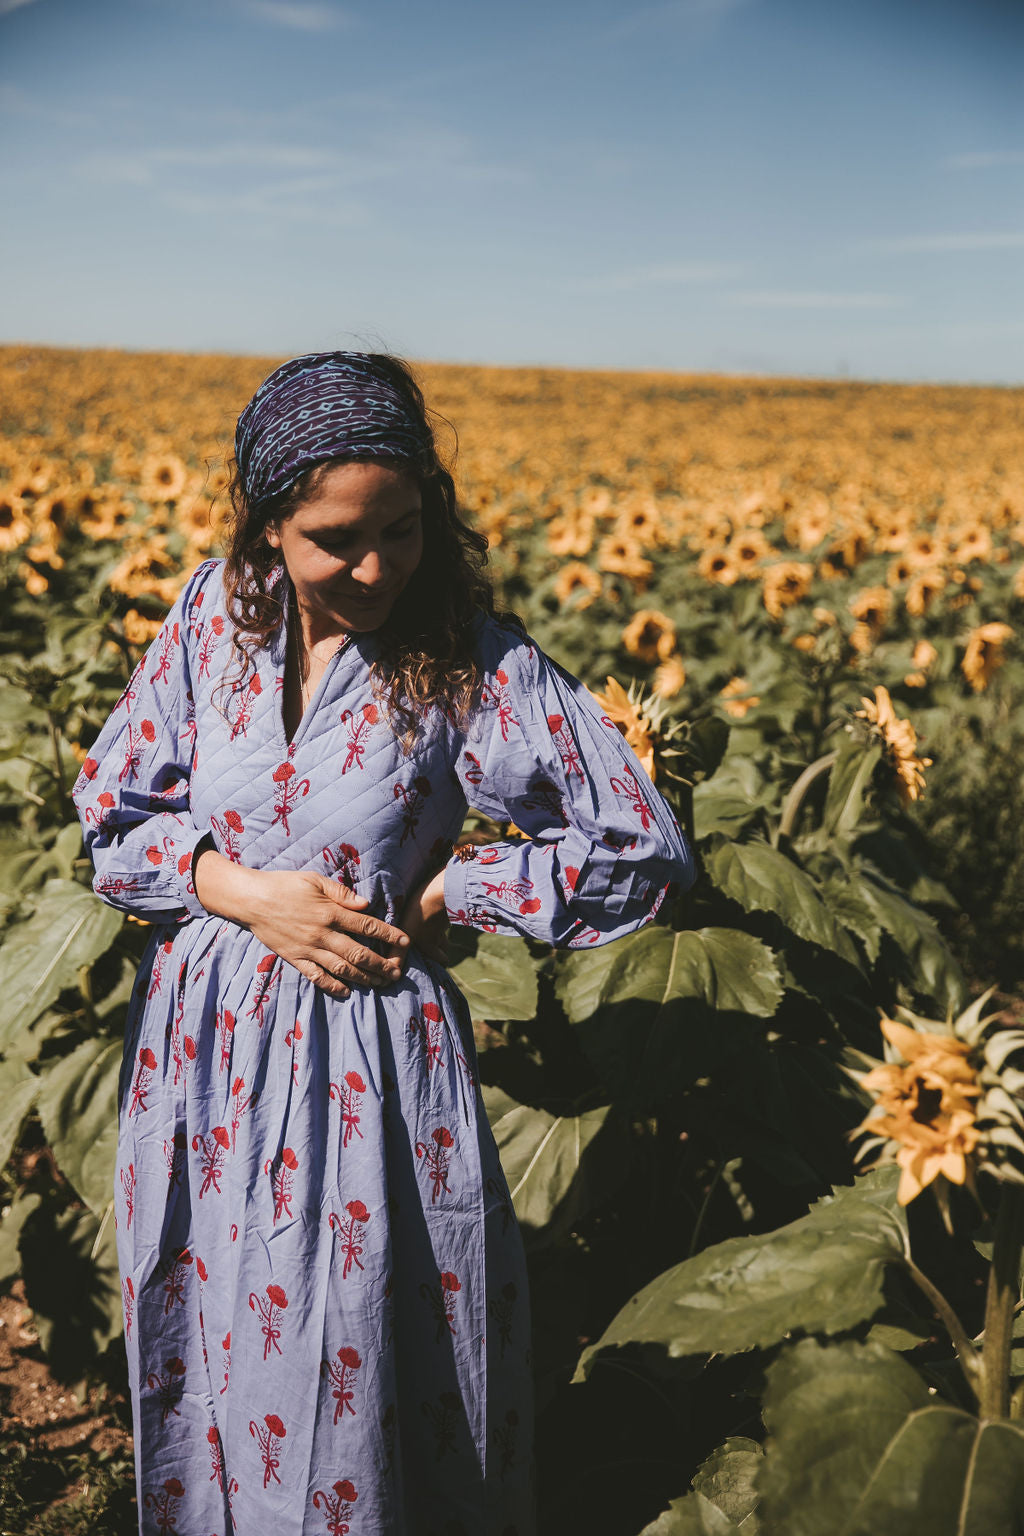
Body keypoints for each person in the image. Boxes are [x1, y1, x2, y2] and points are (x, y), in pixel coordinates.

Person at [73, 351, 696, 1536]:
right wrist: (238, 890)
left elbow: (641, 848)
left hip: (357, 1063)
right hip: (201, 1049)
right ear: (266, 529)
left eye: (402, 530)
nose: (373, 570)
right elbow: (114, 815)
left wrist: (464, 885)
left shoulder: (470, 659)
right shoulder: (211, 614)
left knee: (344, 1342)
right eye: (333, 540)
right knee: (213, 1322)